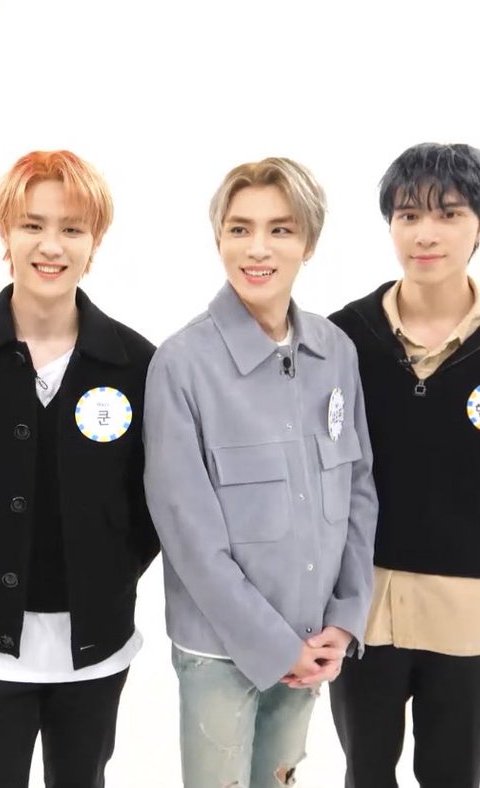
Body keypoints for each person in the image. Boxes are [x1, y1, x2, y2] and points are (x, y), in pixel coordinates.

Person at [327, 142, 480, 788]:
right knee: (364, 772)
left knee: (453, 774)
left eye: (449, 214)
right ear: (390, 224)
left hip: (470, 611)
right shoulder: (342, 339)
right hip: (361, 606)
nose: (426, 234)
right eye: (408, 215)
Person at [0, 150, 158, 788]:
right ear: (6, 233)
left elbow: (152, 506)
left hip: (97, 649)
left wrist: (106, 576)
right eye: (33, 225)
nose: (51, 246)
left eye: (72, 229)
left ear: (94, 242)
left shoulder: (137, 364)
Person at [143, 157, 378, 787]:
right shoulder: (182, 364)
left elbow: (358, 491)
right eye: (239, 228)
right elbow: (188, 534)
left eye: (280, 229)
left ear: (309, 242)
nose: (257, 249)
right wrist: (278, 648)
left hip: (314, 641)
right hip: (219, 651)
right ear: (218, 237)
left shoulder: (335, 352)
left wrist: (345, 619)